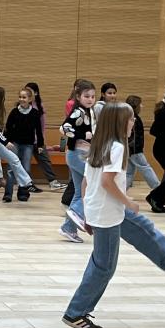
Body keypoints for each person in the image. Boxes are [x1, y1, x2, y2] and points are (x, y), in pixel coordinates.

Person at [61, 103, 165, 328]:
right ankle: (75, 312)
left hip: (104, 209)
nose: (134, 123)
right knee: (104, 266)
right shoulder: (116, 147)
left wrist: (87, 212)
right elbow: (106, 182)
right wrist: (128, 202)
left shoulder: (100, 144)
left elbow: (87, 182)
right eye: (130, 119)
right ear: (119, 122)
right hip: (108, 211)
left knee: (143, 228)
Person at [0, 86, 34, 208]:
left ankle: (26, 183)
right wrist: (5, 141)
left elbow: (0, 128)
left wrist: (2, 140)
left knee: (14, 159)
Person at [58, 80, 97, 243]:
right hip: (78, 155)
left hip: (79, 155)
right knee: (92, 186)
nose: (90, 99)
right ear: (78, 97)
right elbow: (64, 128)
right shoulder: (78, 112)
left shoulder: (88, 112)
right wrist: (82, 135)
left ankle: (69, 228)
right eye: (87, 96)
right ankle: (75, 216)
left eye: (92, 96)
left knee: (79, 192)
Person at [4, 87, 43, 203]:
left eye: (24, 97)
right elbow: (8, 128)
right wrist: (7, 141)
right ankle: (8, 194)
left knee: (26, 168)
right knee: (11, 168)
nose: (21, 99)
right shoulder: (14, 112)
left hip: (28, 145)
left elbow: (38, 130)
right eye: (20, 97)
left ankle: (23, 193)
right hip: (14, 143)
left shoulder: (35, 113)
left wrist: (40, 145)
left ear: (30, 99)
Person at [24, 83, 65, 190]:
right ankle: (27, 184)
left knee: (44, 160)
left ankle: (53, 182)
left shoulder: (39, 106)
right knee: (25, 163)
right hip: (25, 140)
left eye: (30, 91)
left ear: (36, 93)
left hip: (37, 140)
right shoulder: (22, 106)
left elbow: (42, 125)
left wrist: (41, 139)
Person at [123, 96, 160, 191]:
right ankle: (158, 188)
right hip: (135, 150)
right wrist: (135, 148)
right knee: (145, 167)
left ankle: (122, 191)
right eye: (140, 104)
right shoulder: (133, 118)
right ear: (136, 105)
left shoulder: (128, 116)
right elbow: (132, 136)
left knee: (129, 173)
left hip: (130, 150)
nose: (142, 106)